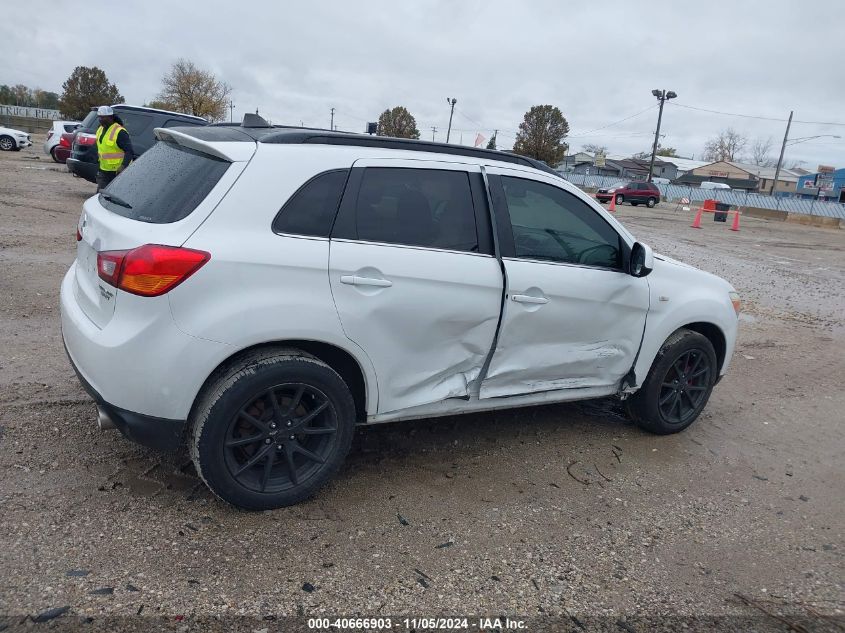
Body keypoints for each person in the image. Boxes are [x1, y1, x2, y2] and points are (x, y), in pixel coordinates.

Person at [94, 105, 133, 192]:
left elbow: (129, 151)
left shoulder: (120, 132)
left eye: (103, 117)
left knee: (116, 195)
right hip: (104, 170)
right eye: (99, 117)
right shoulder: (100, 129)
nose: (100, 119)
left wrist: (123, 166)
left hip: (118, 172)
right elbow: (101, 147)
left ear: (110, 117)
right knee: (100, 196)